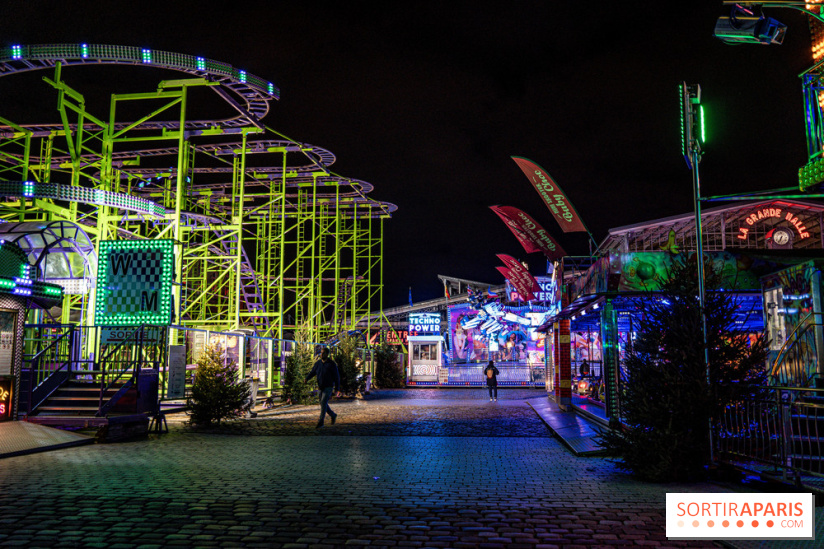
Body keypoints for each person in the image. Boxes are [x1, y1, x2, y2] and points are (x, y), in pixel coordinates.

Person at [305, 347, 341, 428]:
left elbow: (336, 376)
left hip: (328, 386)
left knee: (324, 402)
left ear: (327, 354)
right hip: (320, 386)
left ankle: (321, 422)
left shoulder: (331, 364)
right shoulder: (318, 363)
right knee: (322, 403)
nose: (321, 354)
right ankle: (333, 415)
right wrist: (307, 378)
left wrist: (337, 388)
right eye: (321, 353)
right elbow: (313, 372)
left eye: (323, 353)